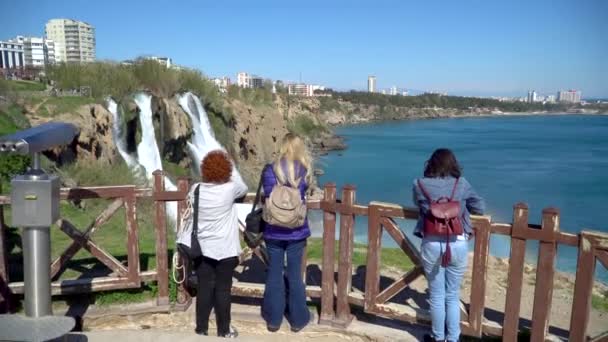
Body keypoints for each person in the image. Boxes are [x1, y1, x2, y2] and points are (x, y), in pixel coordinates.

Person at [413, 148, 485, 342]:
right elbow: (480, 207)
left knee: (436, 295)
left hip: (432, 244)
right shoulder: (461, 184)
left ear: (431, 164)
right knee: (452, 295)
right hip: (457, 243)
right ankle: (453, 339)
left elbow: (420, 206)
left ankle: (438, 338)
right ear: (453, 164)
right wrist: (461, 210)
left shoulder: (419, 184)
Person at [261, 133, 312, 332]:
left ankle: (273, 319)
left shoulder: (269, 170)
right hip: (296, 231)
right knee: (295, 275)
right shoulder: (303, 170)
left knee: (274, 273)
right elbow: (303, 192)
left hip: (273, 230)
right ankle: (298, 319)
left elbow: (267, 194)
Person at [194, 150, 248, 338]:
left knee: (204, 288)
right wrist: (230, 169)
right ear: (226, 170)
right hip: (225, 249)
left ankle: (201, 329)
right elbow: (243, 187)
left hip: (201, 248)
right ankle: (224, 331)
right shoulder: (230, 189)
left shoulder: (196, 189)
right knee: (223, 290)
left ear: (204, 170)